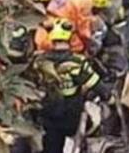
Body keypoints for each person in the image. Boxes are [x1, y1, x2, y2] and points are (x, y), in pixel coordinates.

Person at [33, 19, 105, 153]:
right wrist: (109, 96)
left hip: (48, 115)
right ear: (70, 38)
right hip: (72, 116)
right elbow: (97, 85)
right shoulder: (77, 62)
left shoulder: (39, 61)